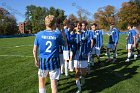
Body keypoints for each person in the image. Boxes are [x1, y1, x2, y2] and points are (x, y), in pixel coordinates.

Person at [33, 15, 64, 93]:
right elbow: (65, 44)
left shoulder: (39, 34)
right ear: (54, 24)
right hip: (54, 62)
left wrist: (36, 60)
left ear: (45, 23)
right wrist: (62, 31)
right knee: (53, 85)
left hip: (43, 62)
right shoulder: (57, 34)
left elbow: (34, 50)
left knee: (41, 82)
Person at [74, 22, 93, 93]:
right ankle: (79, 88)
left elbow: (89, 43)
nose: (79, 27)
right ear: (75, 27)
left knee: (83, 72)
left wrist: (87, 51)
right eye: (77, 26)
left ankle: (83, 78)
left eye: (80, 26)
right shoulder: (73, 35)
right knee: (77, 72)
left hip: (83, 56)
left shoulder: (86, 34)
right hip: (76, 56)